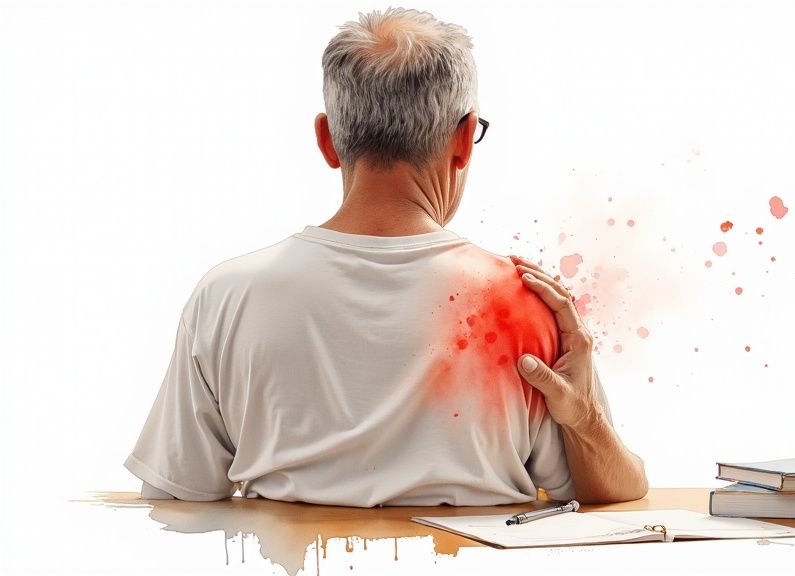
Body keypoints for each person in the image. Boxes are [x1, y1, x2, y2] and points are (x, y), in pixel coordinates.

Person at [125, 6, 647, 507]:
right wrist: (585, 419)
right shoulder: (526, 304)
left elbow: (177, 498)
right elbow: (612, 491)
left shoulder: (227, 296)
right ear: (464, 140)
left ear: (327, 140)